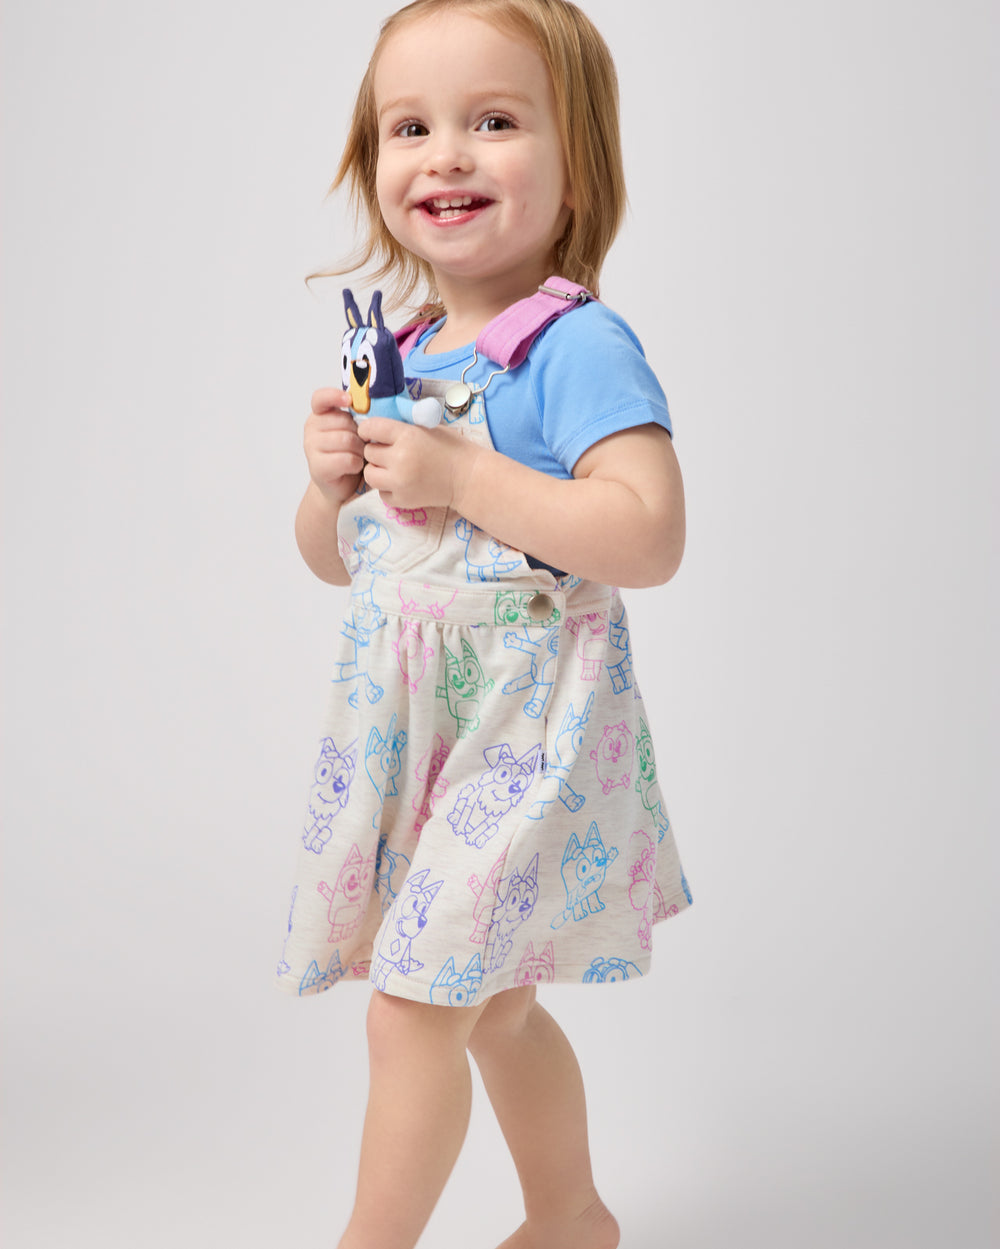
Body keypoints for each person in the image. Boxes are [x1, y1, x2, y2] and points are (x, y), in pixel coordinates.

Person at [277, 2, 692, 1246]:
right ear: (373, 162)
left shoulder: (577, 345)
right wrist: (330, 485)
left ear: (578, 173)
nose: (445, 154)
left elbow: (648, 534)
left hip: (528, 731)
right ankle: (571, 1216)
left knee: (412, 1009)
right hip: (423, 731)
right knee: (494, 1006)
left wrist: (464, 477)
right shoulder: (395, 348)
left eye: (494, 122)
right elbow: (339, 566)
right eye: (411, 127)